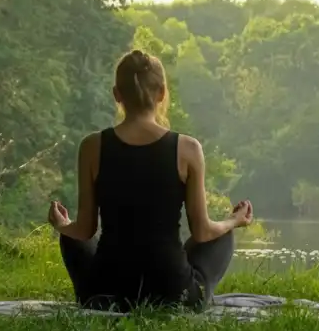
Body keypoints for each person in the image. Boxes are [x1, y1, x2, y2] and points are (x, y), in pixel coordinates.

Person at [47, 49, 254, 312]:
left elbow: (85, 230)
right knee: (221, 236)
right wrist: (235, 220)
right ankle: (193, 296)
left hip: (107, 288)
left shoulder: (91, 147)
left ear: (117, 95)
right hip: (172, 292)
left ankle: (94, 297)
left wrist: (62, 224)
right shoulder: (188, 149)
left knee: (70, 237)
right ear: (162, 93)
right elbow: (202, 232)